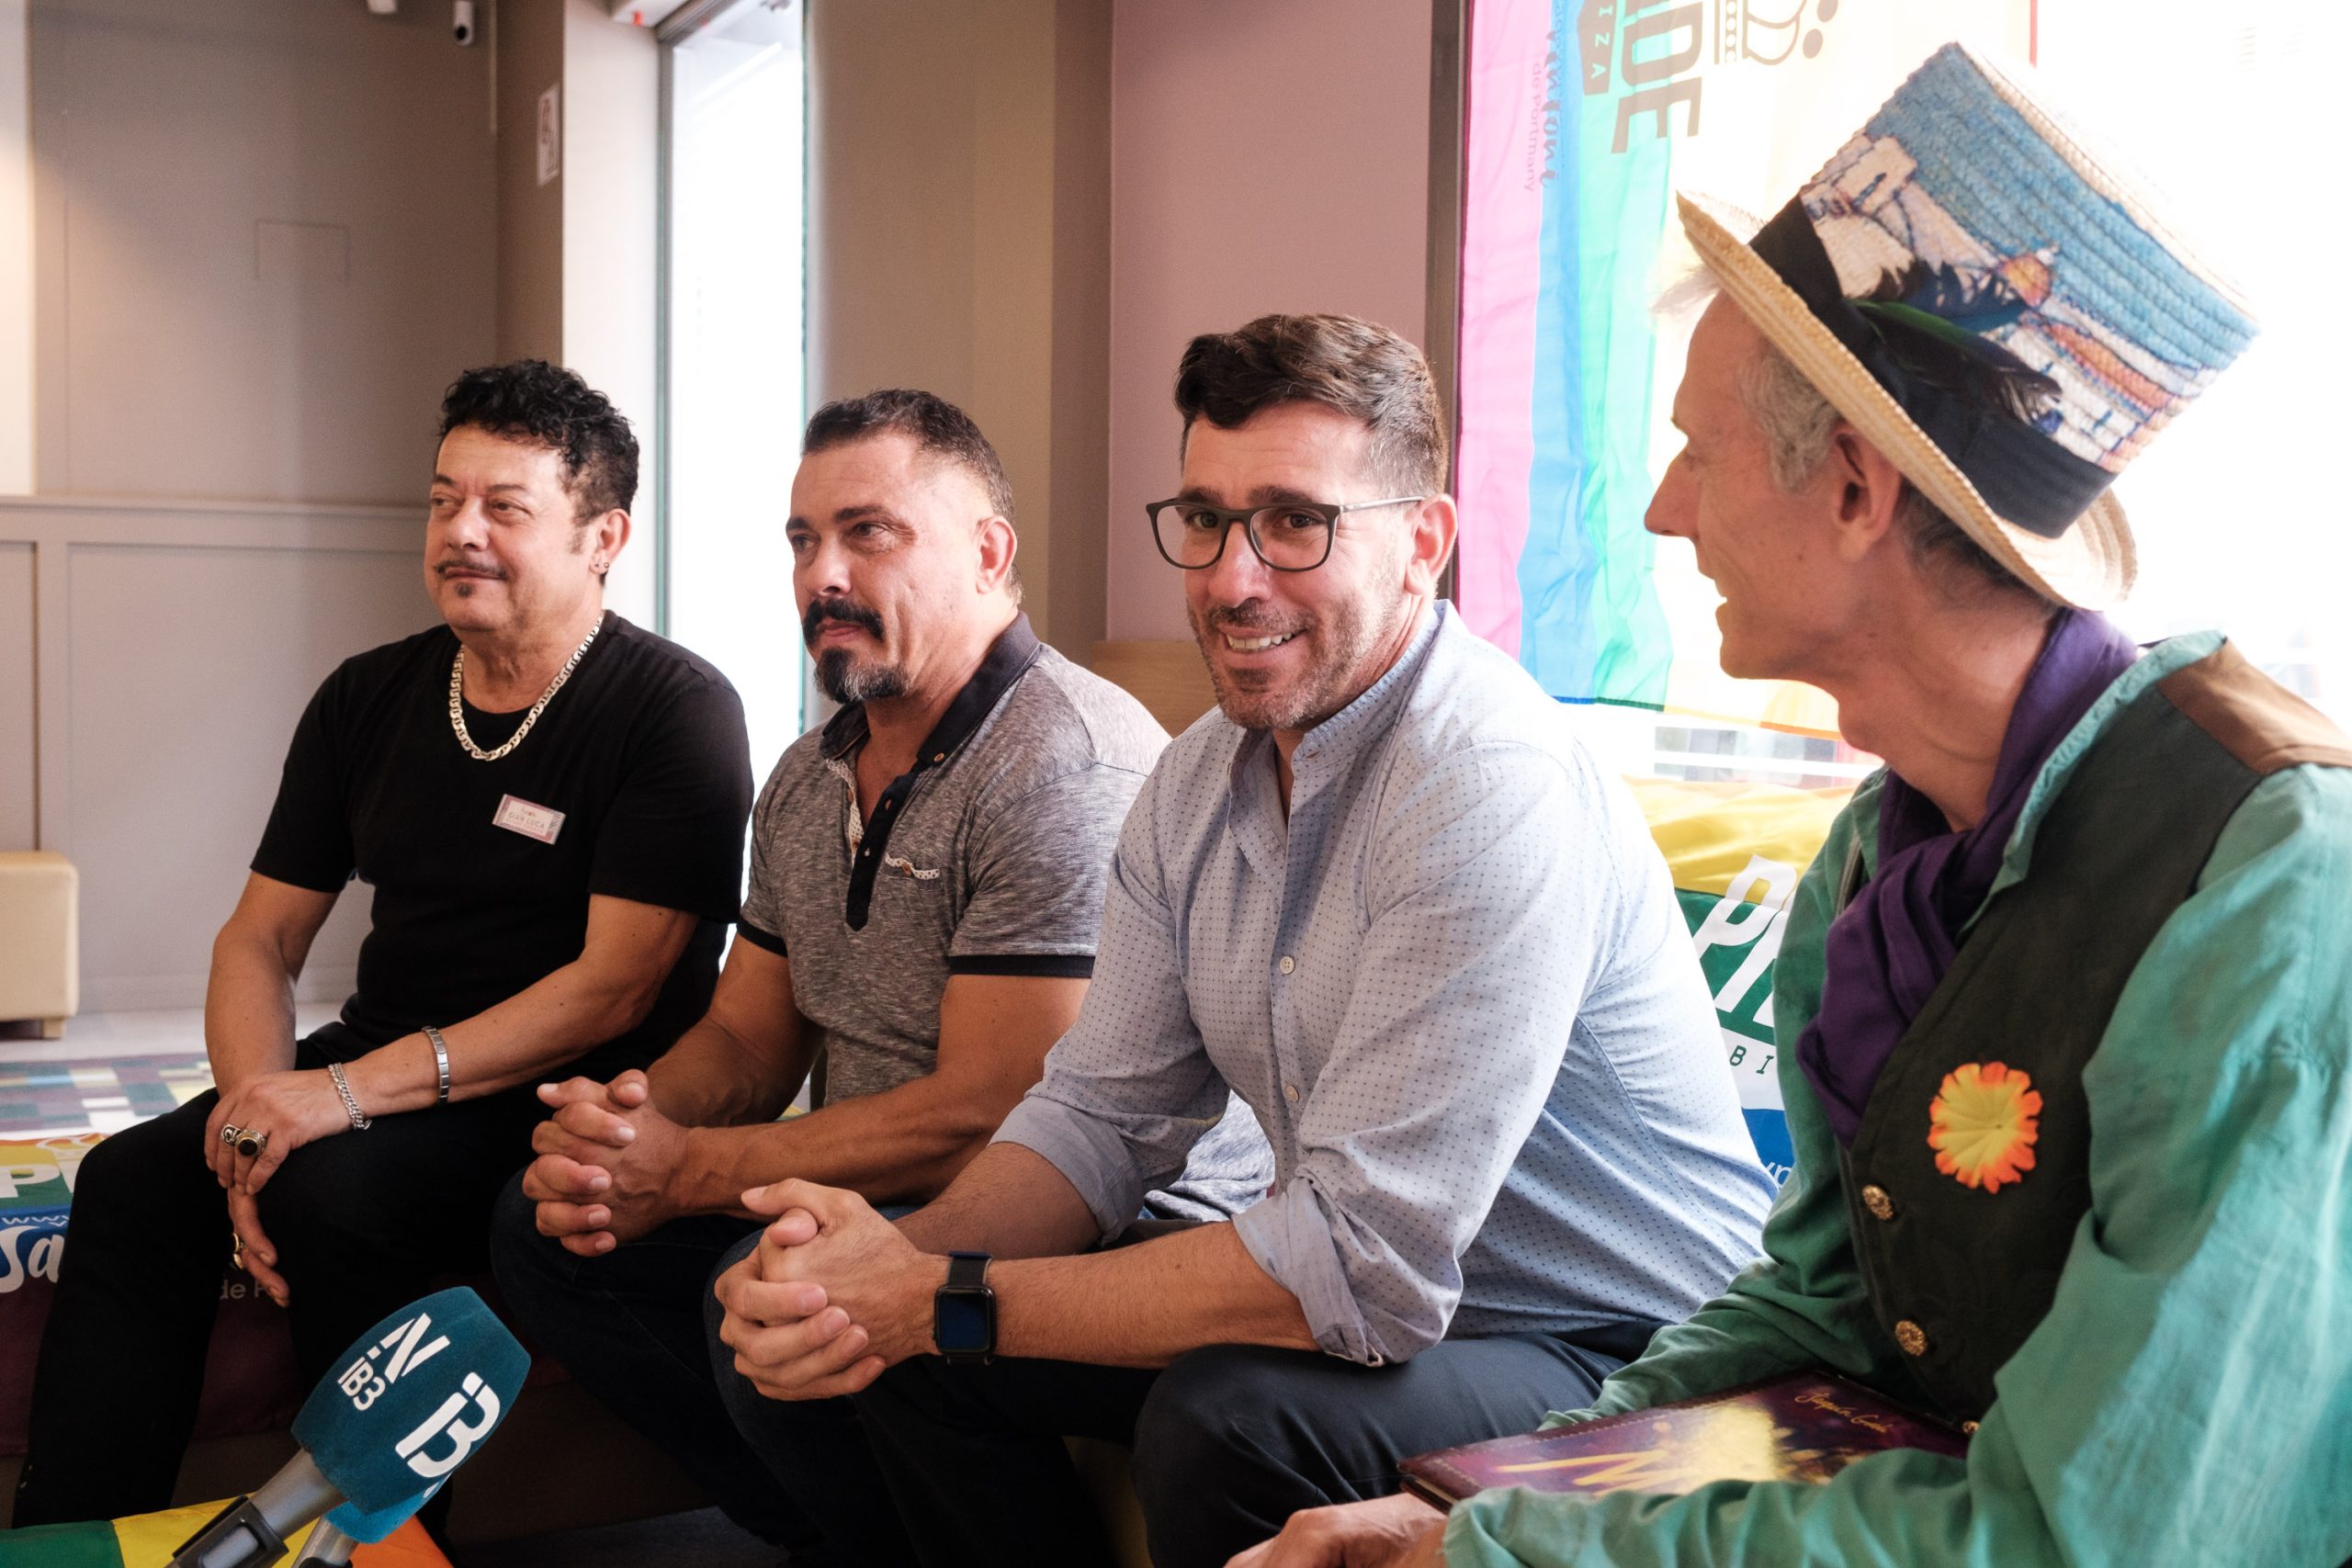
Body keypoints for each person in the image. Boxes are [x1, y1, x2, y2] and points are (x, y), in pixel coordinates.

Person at [1236, 43, 2351, 1568]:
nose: (1659, 508)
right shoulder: (1872, 862)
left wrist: (1516, 1553)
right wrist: (1498, 1496)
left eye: (1694, 449)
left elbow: (2092, 1535)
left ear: (1852, 488)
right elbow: (1826, 1304)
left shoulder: (2274, 893)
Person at [709, 314, 1778, 1568]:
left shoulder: (1488, 780)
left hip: (1631, 1352)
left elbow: (1361, 1268)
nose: (1232, 576)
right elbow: (1098, 1116)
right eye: (1205, 519)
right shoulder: (1198, 773)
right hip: (1411, 1318)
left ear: (1422, 542)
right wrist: (888, 1268)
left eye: (1294, 523)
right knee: (872, 1346)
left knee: (1227, 1420)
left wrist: (940, 1297)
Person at [489, 388, 1267, 1558]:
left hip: (1108, 1208)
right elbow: (749, 1040)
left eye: (870, 533)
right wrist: (633, 1130)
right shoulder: (809, 776)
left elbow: (995, 1111)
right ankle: (825, 1529)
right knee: (547, 1226)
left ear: (988, 553)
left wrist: (694, 1172)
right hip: (881, 1180)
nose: (823, 575)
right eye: (804, 541)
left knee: (776, 1281)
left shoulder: (1065, 764)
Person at [12, 360, 752, 1528]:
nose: (462, 532)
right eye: (443, 499)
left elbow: (616, 988)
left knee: (337, 1189)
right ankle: (71, 1538)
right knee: (133, 1181)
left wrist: (339, 1101)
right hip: (382, 1062)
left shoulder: (674, 708)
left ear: (603, 535)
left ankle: (369, 1548)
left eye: (505, 508)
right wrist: (254, 1109)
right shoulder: (369, 695)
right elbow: (260, 938)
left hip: (557, 1096)